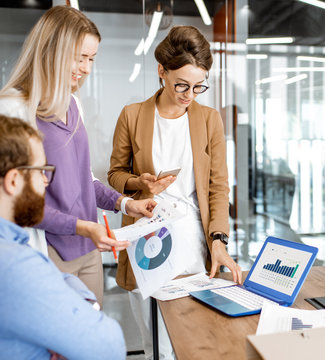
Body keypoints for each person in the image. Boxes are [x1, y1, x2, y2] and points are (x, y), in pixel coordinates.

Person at [0, 5, 157, 308]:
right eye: (80, 57)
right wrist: (82, 226)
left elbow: (84, 180)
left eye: (91, 59)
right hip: (48, 250)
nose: (86, 68)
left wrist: (126, 204)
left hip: (88, 247)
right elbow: (16, 204)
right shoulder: (13, 110)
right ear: (52, 51)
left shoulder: (73, 104)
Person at [108, 25, 242, 359]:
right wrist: (142, 184)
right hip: (146, 240)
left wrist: (219, 241)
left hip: (192, 242)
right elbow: (114, 174)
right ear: (161, 72)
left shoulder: (209, 120)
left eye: (199, 86)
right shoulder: (133, 115)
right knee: (157, 344)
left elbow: (218, 188)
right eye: (181, 84)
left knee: (193, 337)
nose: (189, 94)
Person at [0, 114, 126, 360]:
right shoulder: (15, 264)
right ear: (14, 180)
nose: (46, 181)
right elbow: (109, 348)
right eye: (41, 171)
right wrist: (82, 300)